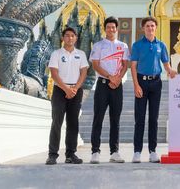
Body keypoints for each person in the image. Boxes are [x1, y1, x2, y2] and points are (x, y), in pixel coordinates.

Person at [130, 17, 177, 163]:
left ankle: (153, 151)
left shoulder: (161, 45)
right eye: (147, 26)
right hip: (141, 82)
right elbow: (133, 66)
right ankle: (137, 151)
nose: (150, 28)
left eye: (152, 26)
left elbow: (166, 65)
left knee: (154, 118)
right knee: (140, 118)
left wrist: (173, 71)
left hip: (156, 83)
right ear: (143, 28)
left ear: (156, 28)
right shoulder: (137, 45)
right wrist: (136, 85)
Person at [89, 16, 129, 164]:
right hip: (102, 85)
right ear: (105, 29)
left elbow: (125, 65)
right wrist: (110, 77)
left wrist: (117, 79)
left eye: (113, 27)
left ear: (117, 29)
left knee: (115, 119)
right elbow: (95, 65)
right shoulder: (98, 45)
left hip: (117, 86)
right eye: (108, 27)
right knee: (98, 118)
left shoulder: (123, 46)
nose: (111, 30)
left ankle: (114, 152)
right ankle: (95, 151)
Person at [46, 27, 88, 165]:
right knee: (56, 122)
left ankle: (71, 154)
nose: (70, 38)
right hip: (60, 90)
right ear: (63, 38)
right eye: (67, 35)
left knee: (73, 123)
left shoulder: (81, 54)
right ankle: (52, 155)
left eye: (72, 36)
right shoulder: (56, 54)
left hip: (76, 91)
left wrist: (74, 88)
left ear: (76, 38)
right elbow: (54, 74)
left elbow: (83, 73)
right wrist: (66, 89)